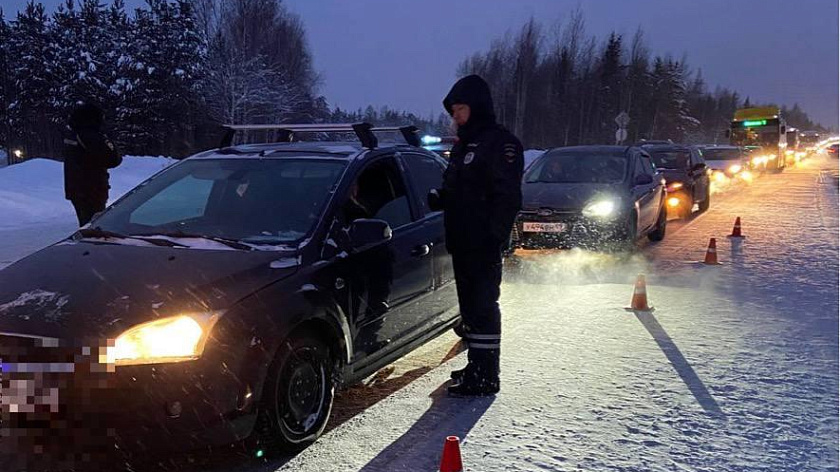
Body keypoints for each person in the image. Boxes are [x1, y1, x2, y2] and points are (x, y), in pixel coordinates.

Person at [428, 75, 524, 396]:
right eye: (453, 110)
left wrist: (494, 237)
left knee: (483, 307)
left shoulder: (501, 144)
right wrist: (441, 197)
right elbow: (462, 189)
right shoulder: (464, 146)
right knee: (469, 309)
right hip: (462, 241)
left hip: (481, 243)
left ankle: (486, 375)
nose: (455, 116)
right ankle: (475, 365)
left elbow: (507, 196)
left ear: (477, 107)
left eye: (460, 109)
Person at [63, 102, 122, 227]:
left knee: (86, 222)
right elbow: (113, 159)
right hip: (93, 188)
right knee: (95, 225)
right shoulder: (91, 136)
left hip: (76, 189)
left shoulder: (73, 134)